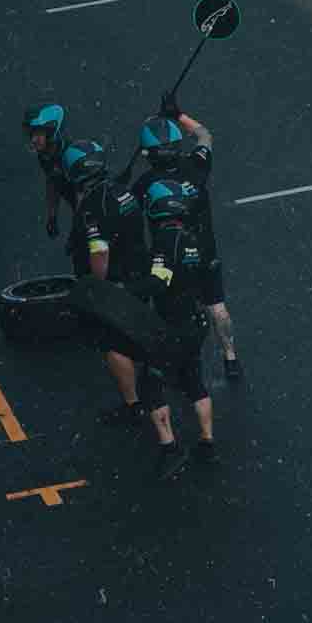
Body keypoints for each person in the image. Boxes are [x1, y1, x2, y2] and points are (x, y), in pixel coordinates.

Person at [137, 97, 239, 378]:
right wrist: (179, 114)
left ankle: (178, 367)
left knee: (170, 312)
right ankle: (230, 358)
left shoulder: (145, 185)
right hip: (205, 251)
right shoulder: (197, 166)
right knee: (216, 306)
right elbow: (205, 135)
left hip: (169, 255)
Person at [123, 179, 219, 478]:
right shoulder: (193, 239)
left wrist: (127, 291)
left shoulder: (165, 241)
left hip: (172, 327)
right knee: (194, 381)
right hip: (195, 322)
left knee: (151, 386)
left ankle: (170, 448)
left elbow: (159, 281)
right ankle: (207, 442)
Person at [59, 138, 147, 425]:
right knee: (138, 331)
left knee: (113, 343)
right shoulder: (123, 193)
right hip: (139, 275)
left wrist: (97, 286)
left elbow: (99, 249)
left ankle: (133, 404)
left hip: (115, 282)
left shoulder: (92, 207)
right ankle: (152, 384)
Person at [20, 103, 73, 256]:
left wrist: (78, 233)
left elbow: (85, 197)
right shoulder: (44, 156)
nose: (33, 140)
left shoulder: (69, 155)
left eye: (38, 134)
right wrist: (52, 216)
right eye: (31, 134)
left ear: (51, 131)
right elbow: (52, 183)